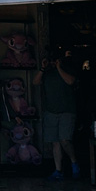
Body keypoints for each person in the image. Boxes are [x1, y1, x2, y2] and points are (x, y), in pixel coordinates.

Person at [33, 49, 80, 180]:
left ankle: (74, 162)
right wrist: (43, 68)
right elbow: (35, 82)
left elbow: (70, 81)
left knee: (65, 140)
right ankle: (58, 170)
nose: (52, 63)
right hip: (51, 111)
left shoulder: (67, 69)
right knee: (55, 142)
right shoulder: (46, 72)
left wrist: (59, 68)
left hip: (67, 111)